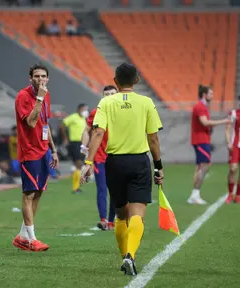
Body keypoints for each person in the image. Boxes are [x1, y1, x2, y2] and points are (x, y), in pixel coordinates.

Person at [80, 63, 163, 276]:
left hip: (114, 162)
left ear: (115, 82)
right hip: (139, 162)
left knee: (120, 214)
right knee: (137, 214)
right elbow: (153, 138)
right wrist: (158, 166)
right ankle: (130, 256)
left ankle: (124, 256)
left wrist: (88, 164)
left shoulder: (106, 102)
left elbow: (97, 133)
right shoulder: (146, 102)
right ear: (137, 80)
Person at [13, 63, 59, 252]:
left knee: (38, 191)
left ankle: (23, 236)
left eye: (43, 76)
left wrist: (53, 149)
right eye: (37, 76)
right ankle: (32, 239)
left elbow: (44, 123)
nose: (41, 79)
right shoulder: (23, 96)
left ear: (48, 79)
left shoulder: (46, 94)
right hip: (29, 151)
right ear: (30, 78)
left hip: (43, 150)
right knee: (28, 193)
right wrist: (39, 98)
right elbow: (31, 123)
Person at [81, 85, 118, 230]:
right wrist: (83, 147)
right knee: (102, 188)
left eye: (112, 94)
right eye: (106, 94)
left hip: (117, 157)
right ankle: (103, 220)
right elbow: (87, 131)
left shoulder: (123, 112)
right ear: (103, 96)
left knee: (115, 190)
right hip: (100, 157)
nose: (109, 96)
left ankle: (111, 220)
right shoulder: (96, 112)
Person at [188, 85, 230, 205]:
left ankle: (194, 195)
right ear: (204, 94)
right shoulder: (200, 107)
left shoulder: (203, 106)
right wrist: (224, 121)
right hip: (201, 140)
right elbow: (205, 122)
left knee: (199, 167)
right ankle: (195, 194)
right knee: (205, 166)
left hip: (202, 139)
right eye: (211, 94)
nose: (212, 96)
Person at [60, 103, 89, 193]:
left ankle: (76, 187)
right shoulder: (73, 117)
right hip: (75, 143)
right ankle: (75, 187)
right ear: (79, 109)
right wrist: (65, 137)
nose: (85, 111)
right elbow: (63, 125)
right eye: (84, 109)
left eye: (86, 110)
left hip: (83, 143)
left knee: (79, 165)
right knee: (78, 163)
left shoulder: (85, 119)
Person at [225, 96, 240, 203]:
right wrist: (228, 142)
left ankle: (238, 195)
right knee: (233, 169)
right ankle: (230, 194)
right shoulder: (234, 113)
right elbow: (228, 129)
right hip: (235, 145)